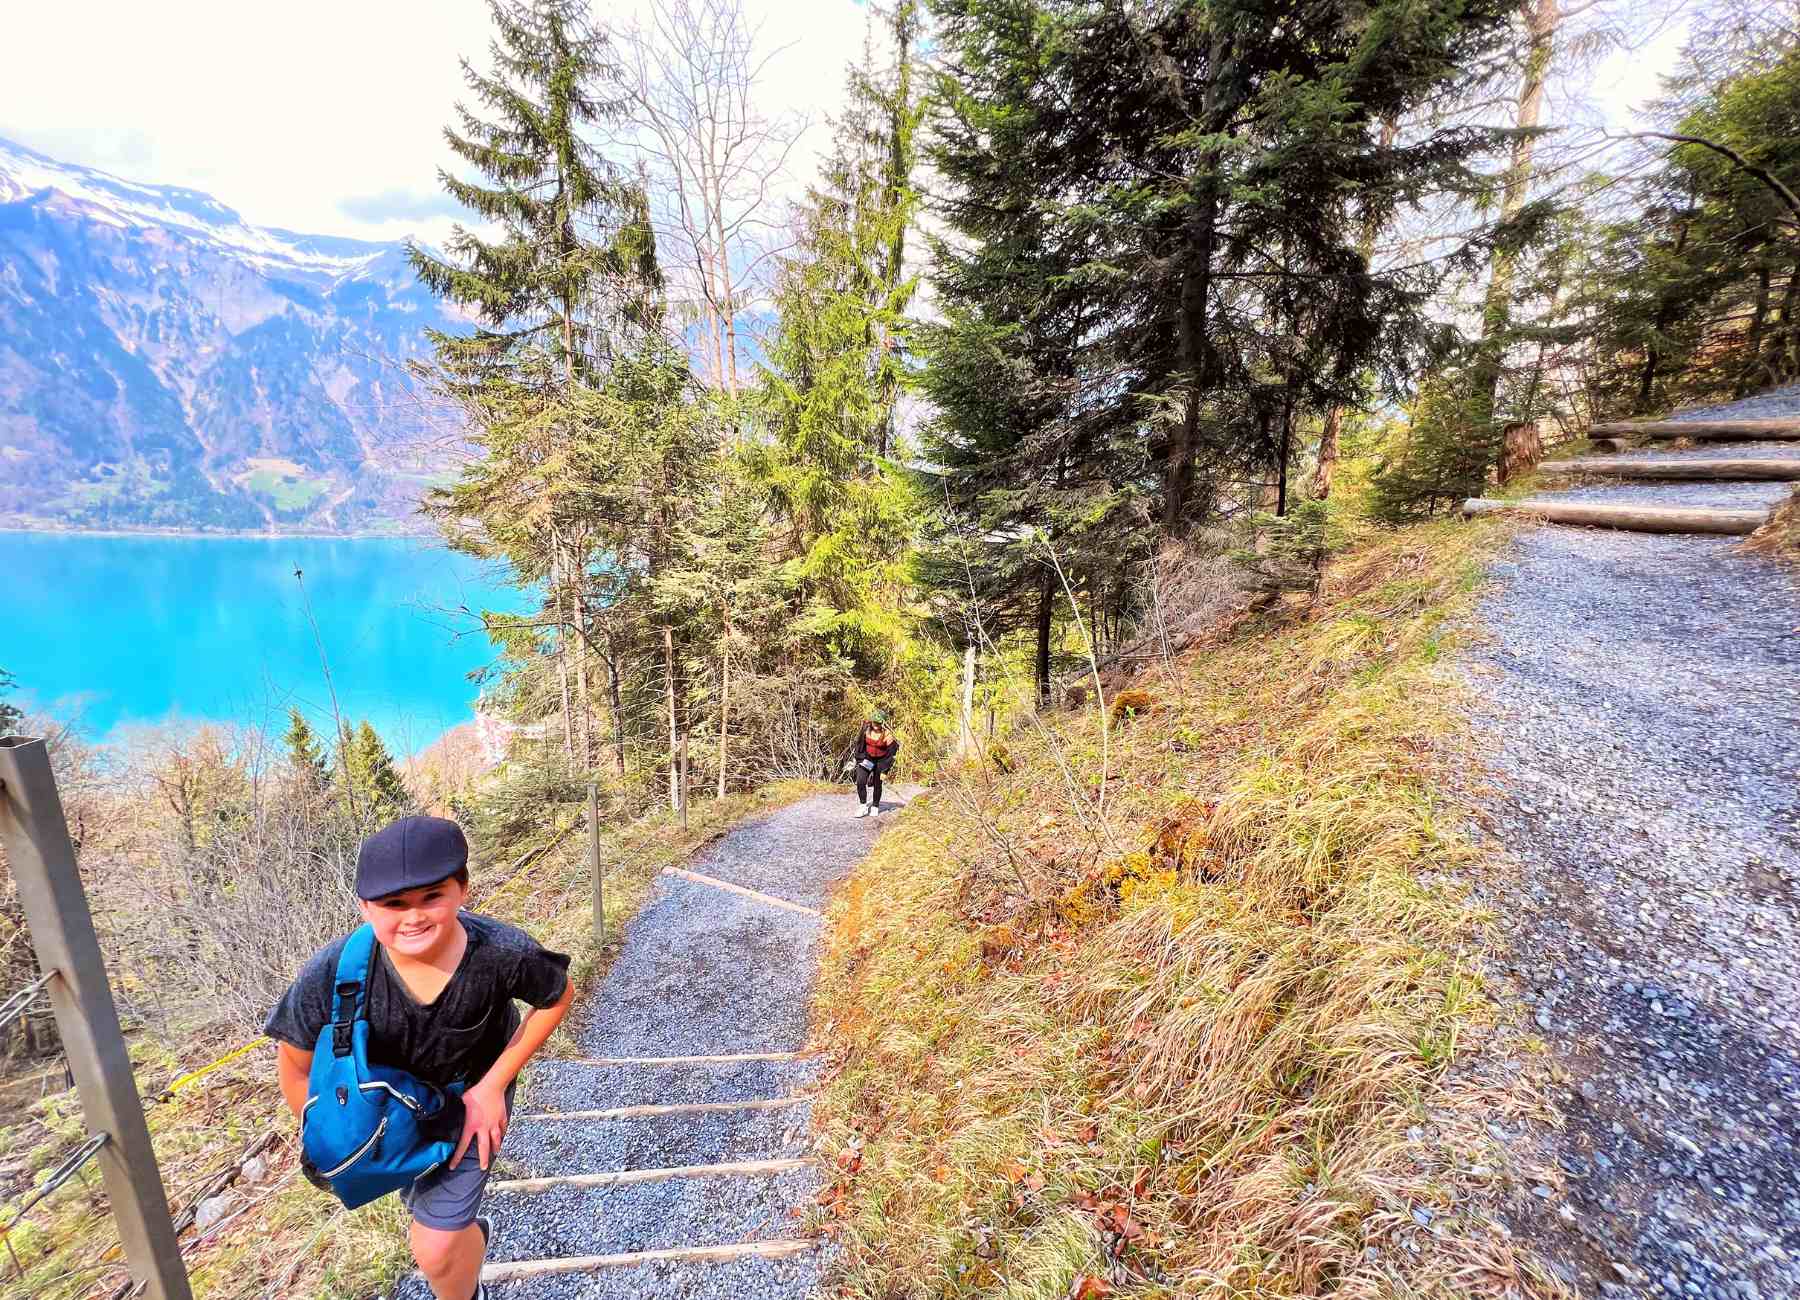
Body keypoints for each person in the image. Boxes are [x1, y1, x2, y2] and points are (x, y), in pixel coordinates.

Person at [264, 815, 573, 1300]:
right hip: (385, 1112)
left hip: (467, 1100)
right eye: (393, 904)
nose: (414, 917)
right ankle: (463, 1243)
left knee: (432, 1247)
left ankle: (457, 1263)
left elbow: (556, 994)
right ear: (365, 907)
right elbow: (295, 1064)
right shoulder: (332, 972)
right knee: (442, 1235)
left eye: (432, 897)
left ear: (462, 888)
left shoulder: (500, 952)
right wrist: (335, 1133)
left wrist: (493, 1087)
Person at [850, 712, 900, 817]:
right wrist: (859, 759)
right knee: (860, 781)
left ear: (882, 723)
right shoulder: (865, 730)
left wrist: (885, 771)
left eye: (878, 723)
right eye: (874, 722)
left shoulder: (887, 735)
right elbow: (859, 745)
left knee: (878, 784)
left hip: (881, 762)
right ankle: (863, 806)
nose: (876, 725)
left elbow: (891, 754)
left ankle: (875, 806)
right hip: (867, 759)